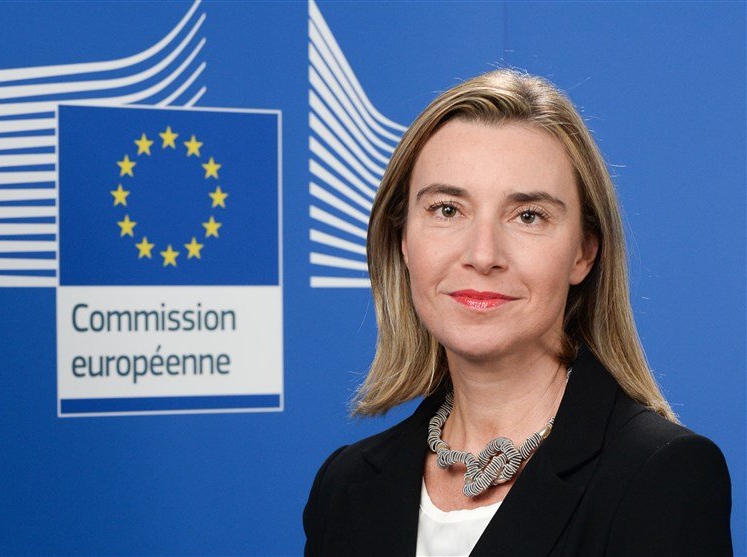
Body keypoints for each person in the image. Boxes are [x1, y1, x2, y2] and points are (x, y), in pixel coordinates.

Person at [302, 69, 733, 557]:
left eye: (528, 216)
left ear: (584, 252)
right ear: (402, 239)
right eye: (447, 210)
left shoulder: (659, 476)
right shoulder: (345, 486)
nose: (483, 255)